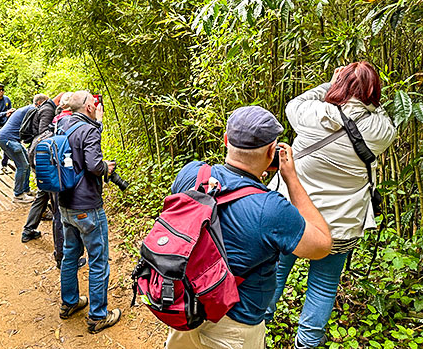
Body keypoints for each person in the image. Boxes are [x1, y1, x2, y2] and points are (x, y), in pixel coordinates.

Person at [166, 105, 332, 349]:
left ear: (225, 140)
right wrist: (291, 178)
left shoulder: (192, 173)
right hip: (234, 327)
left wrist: (248, 180)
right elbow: (322, 246)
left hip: (185, 306)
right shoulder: (271, 209)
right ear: (271, 152)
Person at [265, 62, 396, 349]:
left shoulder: (313, 115)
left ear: (338, 85)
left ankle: (259, 326)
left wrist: (332, 84)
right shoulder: (381, 131)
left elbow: (293, 104)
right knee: (323, 286)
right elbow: (382, 115)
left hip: (293, 217)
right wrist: (367, 96)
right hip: (340, 227)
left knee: (275, 270)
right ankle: (307, 343)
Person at [56, 90, 122, 334]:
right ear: (89, 107)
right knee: (98, 258)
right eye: (94, 103)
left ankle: (69, 302)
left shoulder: (62, 124)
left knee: (70, 254)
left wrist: (98, 124)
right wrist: (107, 167)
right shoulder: (89, 130)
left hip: (64, 203)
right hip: (87, 207)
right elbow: (94, 165)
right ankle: (97, 316)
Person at [22, 93, 57, 242]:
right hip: (44, 157)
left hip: (37, 155)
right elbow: (45, 133)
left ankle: (28, 230)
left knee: (43, 194)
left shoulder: (43, 108)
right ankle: (62, 248)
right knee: (55, 197)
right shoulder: (48, 109)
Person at [0, 103, 35, 203]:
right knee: (22, 165)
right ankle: (18, 195)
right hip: (8, 139)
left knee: (27, 162)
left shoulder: (27, 108)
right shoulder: (31, 110)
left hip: (11, 138)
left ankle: (26, 190)